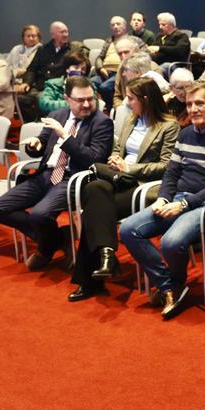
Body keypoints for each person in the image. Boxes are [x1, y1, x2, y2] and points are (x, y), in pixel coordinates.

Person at [120, 81, 205, 320]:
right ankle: (169, 286)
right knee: (128, 229)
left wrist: (184, 204)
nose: (193, 109)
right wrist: (163, 198)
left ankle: (175, 285)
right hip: (176, 199)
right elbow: (172, 173)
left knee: (170, 242)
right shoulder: (185, 133)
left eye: (200, 103)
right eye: (189, 104)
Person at [67, 77, 179, 302]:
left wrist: (131, 167)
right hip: (117, 178)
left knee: (93, 210)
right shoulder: (130, 119)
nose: (127, 103)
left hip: (141, 186)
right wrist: (116, 159)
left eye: (131, 98)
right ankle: (107, 255)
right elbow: (117, 148)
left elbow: (166, 165)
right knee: (96, 188)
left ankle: (93, 276)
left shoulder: (169, 125)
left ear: (146, 99)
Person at [0, 76, 114, 271]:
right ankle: (57, 239)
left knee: (40, 215)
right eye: (80, 100)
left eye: (91, 99)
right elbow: (41, 143)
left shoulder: (102, 122)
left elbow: (94, 159)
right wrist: (35, 145)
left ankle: (45, 248)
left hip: (72, 179)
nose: (87, 104)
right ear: (67, 99)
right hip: (45, 175)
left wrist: (65, 136)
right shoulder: (57, 115)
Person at [18, 21, 72, 121]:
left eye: (66, 32)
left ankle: (44, 122)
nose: (65, 35)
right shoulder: (43, 49)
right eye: (62, 32)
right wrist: (26, 83)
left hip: (57, 87)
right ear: (53, 34)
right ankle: (32, 123)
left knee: (41, 98)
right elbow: (32, 69)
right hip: (40, 85)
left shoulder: (71, 50)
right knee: (21, 99)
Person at [39, 51, 95, 116]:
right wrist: (73, 103)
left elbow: (94, 104)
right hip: (57, 118)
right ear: (67, 69)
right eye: (76, 67)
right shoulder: (53, 84)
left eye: (83, 69)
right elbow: (45, 104)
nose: (79, 71)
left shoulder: (90, 86)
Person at [93, 16, 130, 109]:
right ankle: (95, 109)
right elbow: (99, 57)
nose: (115, 27)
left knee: (104, 87)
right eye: (113, 25)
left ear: (125, 26)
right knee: (89, 83)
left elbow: (142, 56)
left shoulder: (133, 40)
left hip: (120, 73)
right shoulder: (109, 41)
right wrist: (100, 68)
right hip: (104, 73)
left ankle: (111, 109)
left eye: (118, 24)